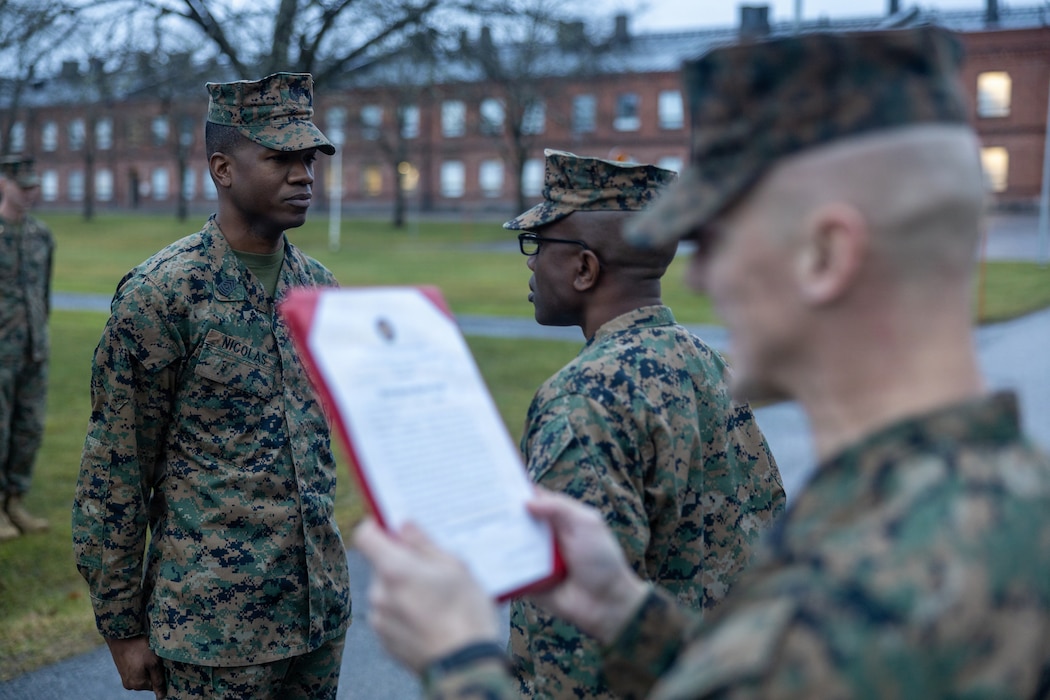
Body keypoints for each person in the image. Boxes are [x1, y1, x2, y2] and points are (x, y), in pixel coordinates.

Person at [354, 25, 1050, 699]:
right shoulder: (986, 513)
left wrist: (458, 658)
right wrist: (628, 615)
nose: (698, 278)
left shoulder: (843, 609)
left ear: (826, 255)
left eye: (716, 239)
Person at [72, 73, 351, 700]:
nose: (304, 175)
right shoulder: (161, 294)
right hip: (212, 633)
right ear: (222, 167)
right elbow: (114, 471)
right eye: (281, 158)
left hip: (318, 616)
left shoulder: (321, 291)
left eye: (308, 158)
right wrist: (121, 627)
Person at [500, 149, 785, 698]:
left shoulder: (583, 397)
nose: (531, 263)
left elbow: (573, 628)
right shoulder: (710, 364)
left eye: (538, 245)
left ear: (584, 267)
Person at [0, 154, 53, 541]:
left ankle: (14, 501)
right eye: (24, 187)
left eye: (34, 186)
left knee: (28, 427)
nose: (31, 193)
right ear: (4, 185)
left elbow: (44, 292)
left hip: (34, 349)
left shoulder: (41, 235)